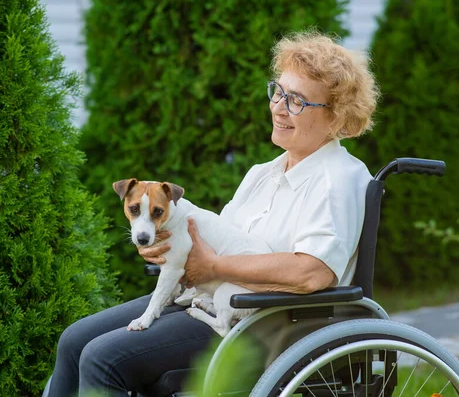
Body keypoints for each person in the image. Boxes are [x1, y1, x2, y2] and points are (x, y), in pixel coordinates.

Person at [46, 31, 380, 397]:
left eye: (297, 101)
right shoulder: (262, 174)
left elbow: (311, 272)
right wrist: (164, 244)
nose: (279, 107)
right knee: (74, 340)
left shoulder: (337, 179)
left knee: (102, 357)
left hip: (266, 324)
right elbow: (208, 243)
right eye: (279, 92)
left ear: (335, 116)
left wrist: (214, 268)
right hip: (210, 298)